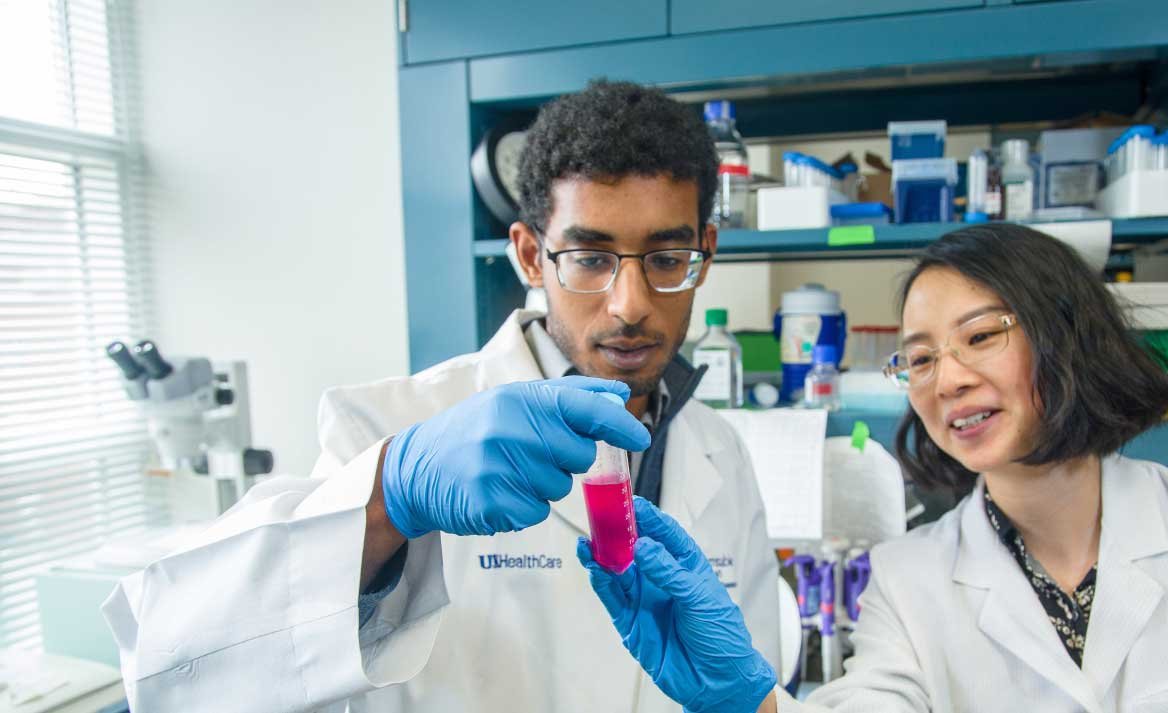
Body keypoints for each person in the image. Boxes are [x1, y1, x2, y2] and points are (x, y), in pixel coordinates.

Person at [102, 80, 780, 712]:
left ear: (706, 251)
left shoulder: (721, 452)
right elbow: (176, 665)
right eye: (590, 258)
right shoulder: (385, 428)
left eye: (665, 258)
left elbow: (752, 679)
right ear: (528, 254)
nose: (630, 304)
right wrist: (384, 504)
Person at [580, 224, 1168, 712]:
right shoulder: (908, 582)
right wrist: (754, 700)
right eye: (921, 357)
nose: (946, 378)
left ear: (1066, 335)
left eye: (981, 335)